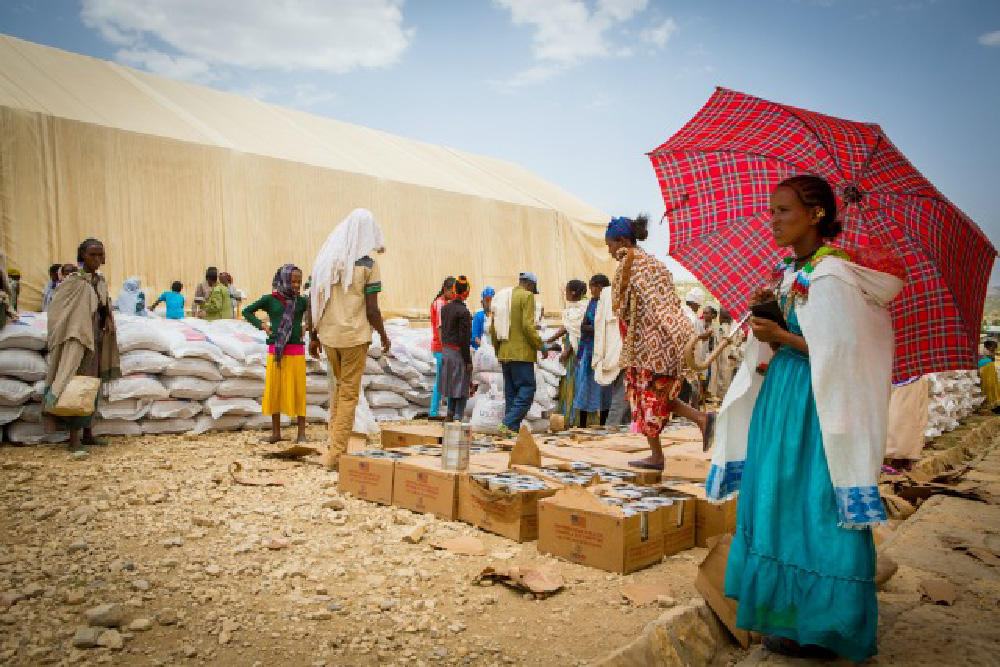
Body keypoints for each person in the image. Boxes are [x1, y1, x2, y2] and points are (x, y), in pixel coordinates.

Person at [708, 175, 906, 662]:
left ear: (816, 214)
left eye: (783, 211)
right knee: (779, 500)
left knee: (814, 506)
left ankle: (826, 624)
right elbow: (801, 334)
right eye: (771, 211)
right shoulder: (795, 271)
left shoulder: (832, 275)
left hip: (817, 407)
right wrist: (771, 317)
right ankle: (792, 618)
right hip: (785, 396)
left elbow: (842, 350)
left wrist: (783, 332)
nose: (772, 220)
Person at [606, 215, 715, 469]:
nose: (610, 251)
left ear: (622, 240)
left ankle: (657, 456)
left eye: (610, 244)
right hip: (673, 337)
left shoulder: (628, 263)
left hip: (650, 343)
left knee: (647, 396)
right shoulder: (655, 263)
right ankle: (702, 419)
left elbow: (619, 306)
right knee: (660, 393)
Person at [309, 208, 390, 470]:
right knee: (348, 396)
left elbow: (314, 300)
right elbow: (372, 309)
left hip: (329, 335)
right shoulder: (368, 265)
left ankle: (333, 444)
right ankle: (335, 455)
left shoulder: (327, 261)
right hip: (354, 336)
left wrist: (312, 334)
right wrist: (384, 334)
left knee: (339, 391)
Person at [43, 238, 121, 452]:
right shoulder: (74, 282)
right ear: (82, 256)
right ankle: (73, 438)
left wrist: (106, 319)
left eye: (100, 255)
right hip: (78, 340)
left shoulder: (100, 281)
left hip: (96, 339)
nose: (97, 259)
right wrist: (74, 329)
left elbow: (104, 305)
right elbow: (58, 311)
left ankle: (88, 432)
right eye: (92, 255)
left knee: (92, 386)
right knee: (75, 384)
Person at [244, 264, 310, 443]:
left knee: (298, 391)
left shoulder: (302, 302)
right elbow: (246, 311)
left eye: (299, 282)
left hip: (296, 352)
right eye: (293, 281)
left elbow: (317, 313)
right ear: (284, 280)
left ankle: (301, 434)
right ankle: (276, 433)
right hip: (276, 353)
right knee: (275, 390)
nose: (296, 285)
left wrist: (306, 327)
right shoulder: (270, 300)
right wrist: (263, 326)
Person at [490, 271, 546, 436]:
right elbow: (528, 326)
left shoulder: (502, 296)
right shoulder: (527, 297)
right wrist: (540, 346)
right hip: (521, 354)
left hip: (505, 353)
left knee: (511, 393)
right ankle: (508, 423)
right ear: (530, 285)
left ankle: (510, 430)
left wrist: (498, 350)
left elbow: (493, 328)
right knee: (527, 389)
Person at [571, 275, 615, 427]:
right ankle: (583, 424)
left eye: (593, 288)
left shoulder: (610, 304)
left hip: (605, 352)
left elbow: (610, 327)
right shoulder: (593, 303)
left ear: (600, 287)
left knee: (604, 388)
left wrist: (593, 328)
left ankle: (603, 423)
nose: (591, 291)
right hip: (590, 351)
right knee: (586, 386)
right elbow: (584, 326)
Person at [544, 280, 588, 421]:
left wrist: (568, 350)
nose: (565, 293)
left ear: (574, 292)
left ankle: (577, 419)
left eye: (567, 291)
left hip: (579, 350)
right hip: (571, 347)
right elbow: (567, 327)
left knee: (576, 384)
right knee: (567, 382)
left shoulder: (584, 308)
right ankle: (568, 417)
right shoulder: (573, 308)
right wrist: (549, 340)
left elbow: (580, 332)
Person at [440, 276, 474, 422]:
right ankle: (458, 418)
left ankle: (449, 414)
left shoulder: (445, 309)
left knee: (451, 387)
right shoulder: (464, 313)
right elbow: (464, 340)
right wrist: (468, 361)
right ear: (466, 293)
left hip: (446, 352)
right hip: (458, 353)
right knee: (461, 388)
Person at [429, 277, 457, 418]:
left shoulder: (445, 302)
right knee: (441, 380)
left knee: (444, 380)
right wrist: (445, 347)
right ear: (446, 290)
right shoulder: (440, 303)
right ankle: (433, 412)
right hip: (441, 347)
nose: (454, 295)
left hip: (443, 347)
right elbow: (440, 327)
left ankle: (439, 411)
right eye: (452, 291)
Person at [979, 340, 999, 411]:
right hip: (985, 370)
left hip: (989, 369)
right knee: (988, 386)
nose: (994, 349)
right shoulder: (981, 352)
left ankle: (993, 403)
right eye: (993, 347)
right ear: (988, 346)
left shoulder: (989, 352)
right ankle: (989, 403)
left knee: (993, 385)